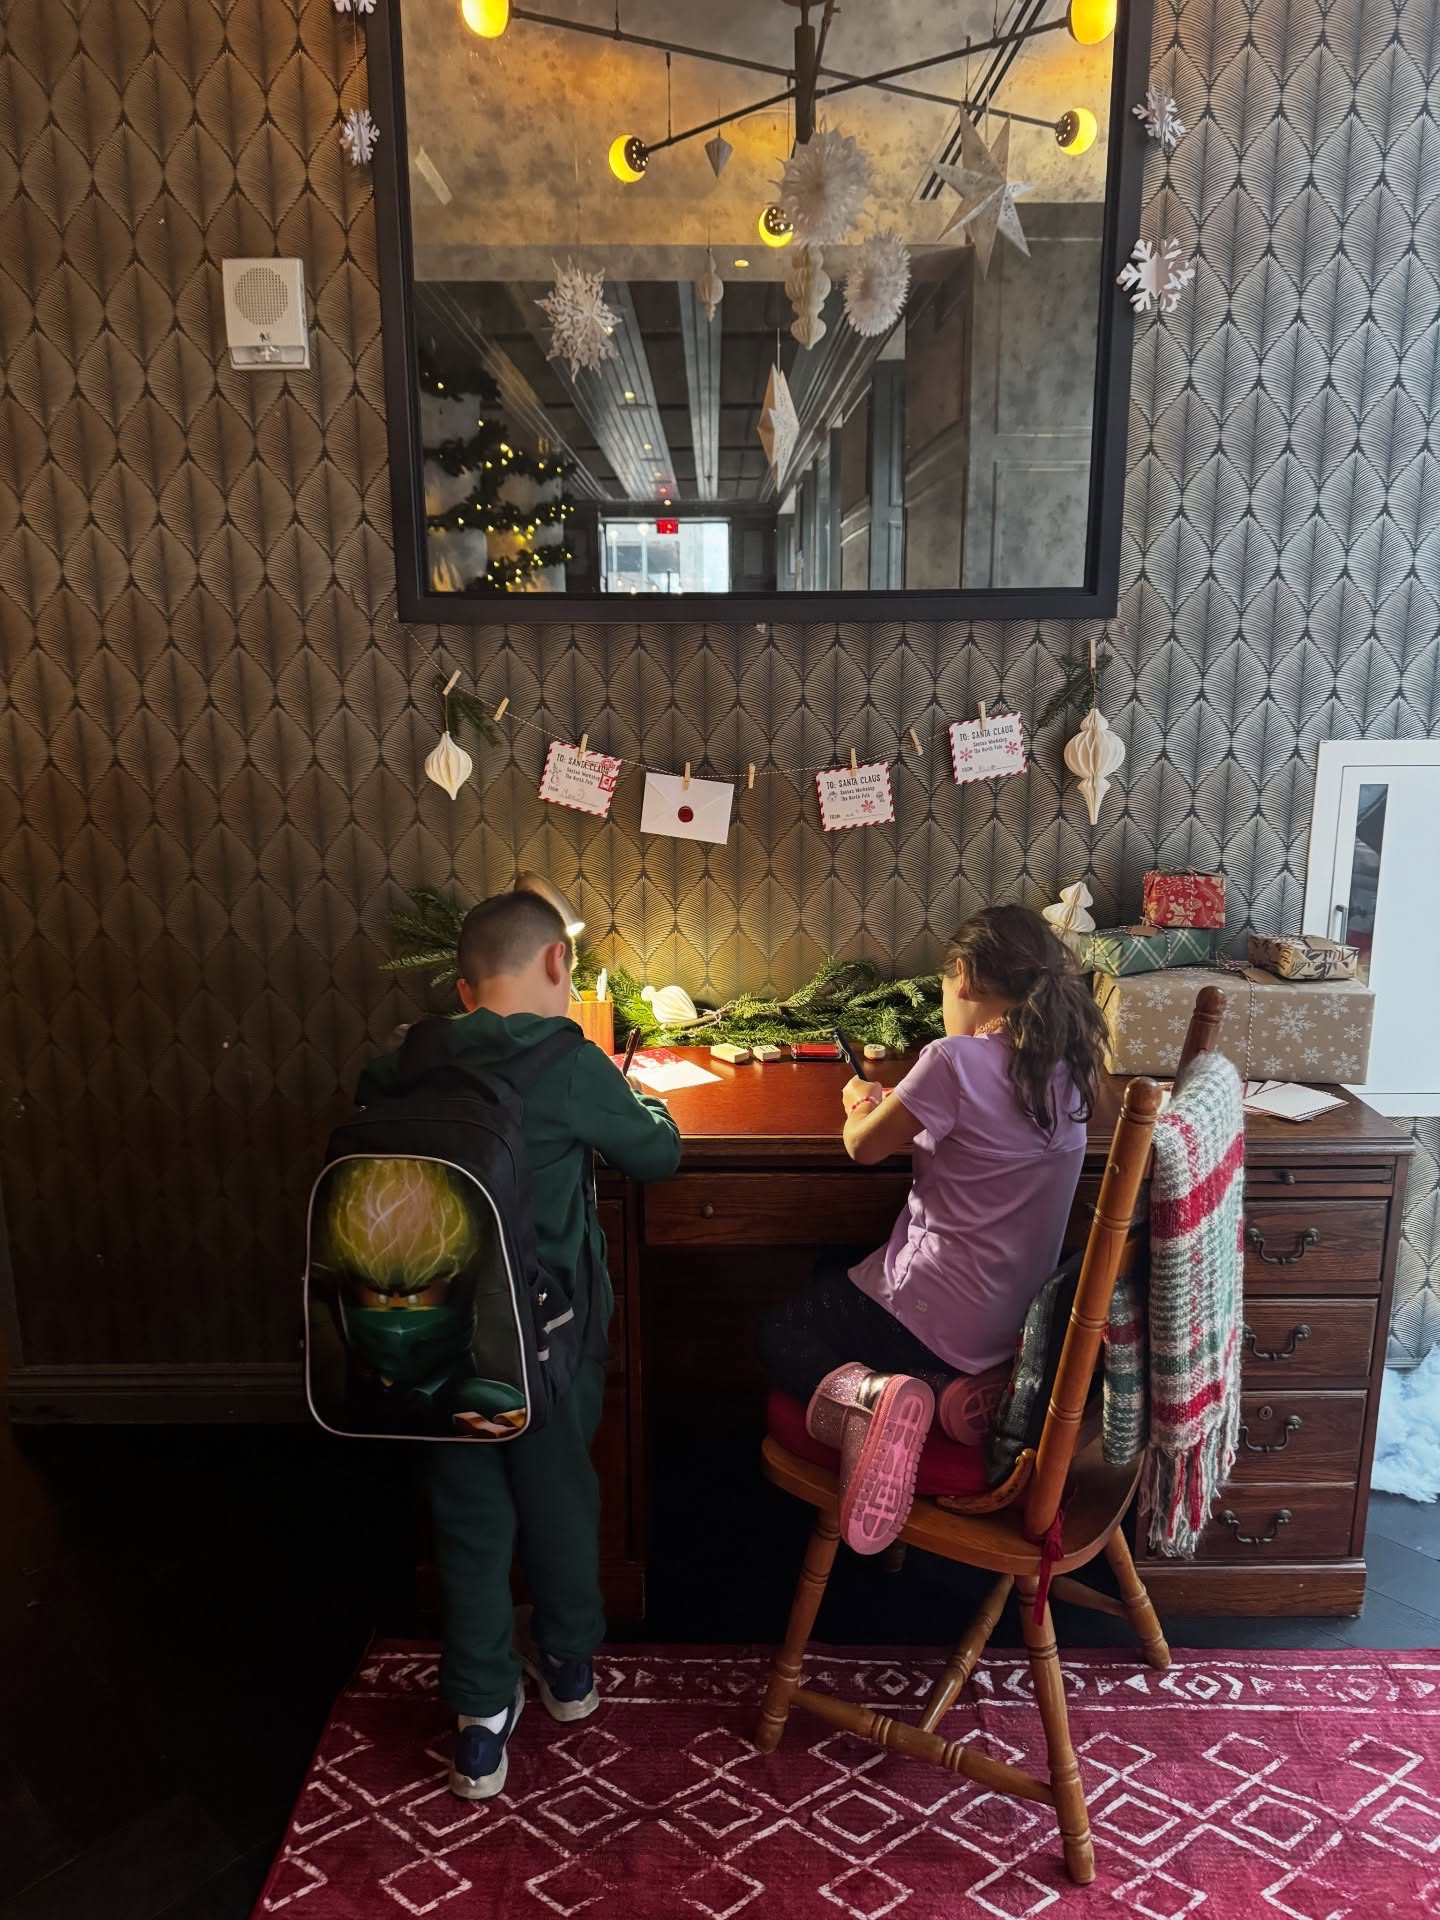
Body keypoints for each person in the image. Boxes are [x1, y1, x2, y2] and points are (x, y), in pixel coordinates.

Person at [356, 890, 681, 1800]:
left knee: (465, 1516)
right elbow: (658, 1155)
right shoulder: (570, 1065)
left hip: (428, 1344)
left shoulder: (400, 1066)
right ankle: (569, 1668)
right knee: (559, 1494)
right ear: (558, 969)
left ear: (463, 991)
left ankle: (479, 1718)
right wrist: (642, 1098)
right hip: (549, 1343)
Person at [756, 904, 1109, 1556]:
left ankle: (876, 1396)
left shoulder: (953, 1061)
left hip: (934, 1312)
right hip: (1009, 1328)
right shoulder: (1069, 1070)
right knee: (839, 1268)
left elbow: (862, 1146)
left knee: (780, 1327)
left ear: (966, 978)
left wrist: (860, 1101)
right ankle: (943, 1389)